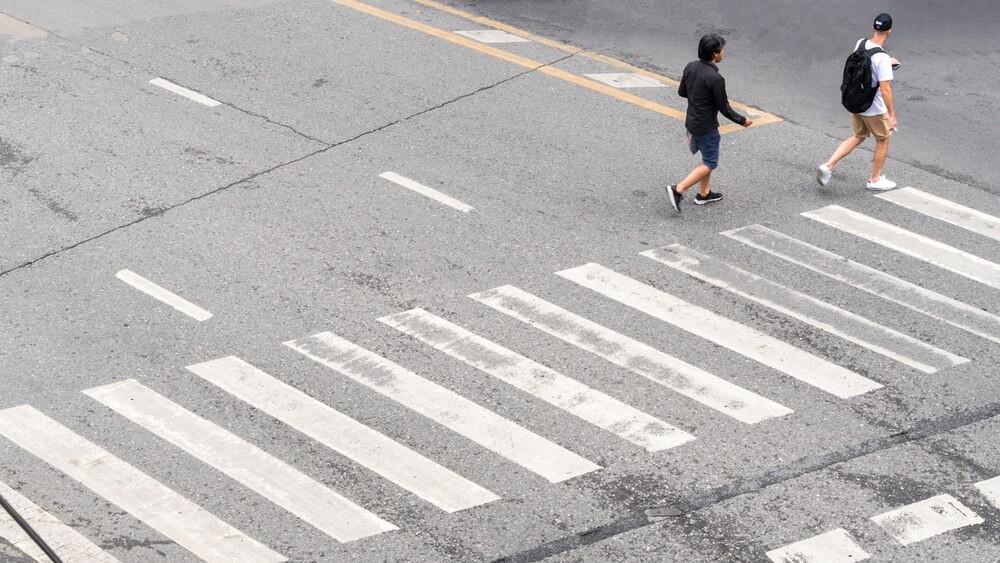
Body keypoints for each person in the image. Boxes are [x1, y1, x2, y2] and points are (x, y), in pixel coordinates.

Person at [666, 33, 752, 213]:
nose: (723, 52)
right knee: (710, 162)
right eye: (721, 50)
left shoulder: (691, 66)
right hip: (706, 127)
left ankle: (704, 194)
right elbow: (724, 108)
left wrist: (699, 96)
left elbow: (682, 92)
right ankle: (678, 190)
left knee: (706, 158)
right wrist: (742, 121)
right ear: (715, 54)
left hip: (691, 122)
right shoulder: (716, 79)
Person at [817, 13, 901, 191]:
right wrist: (892, 115)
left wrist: (887, 62)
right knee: (883, 139)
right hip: (874, 108)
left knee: (859, 136)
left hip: (856, 101)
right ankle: (875, 180)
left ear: (873, 28)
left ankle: (828, 165)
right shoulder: (883, 59)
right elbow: (885, 89)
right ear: (889, 31)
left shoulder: (860, 43)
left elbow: (864, 63)